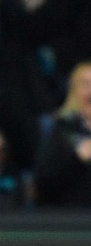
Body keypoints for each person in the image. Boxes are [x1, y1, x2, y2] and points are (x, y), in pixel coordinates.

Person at [34, 60, 91, 208]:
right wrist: (77, 159)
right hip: (69, 221)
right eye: (85, 84)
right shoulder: (60, 130)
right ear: (74, 90)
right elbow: (43, 185)